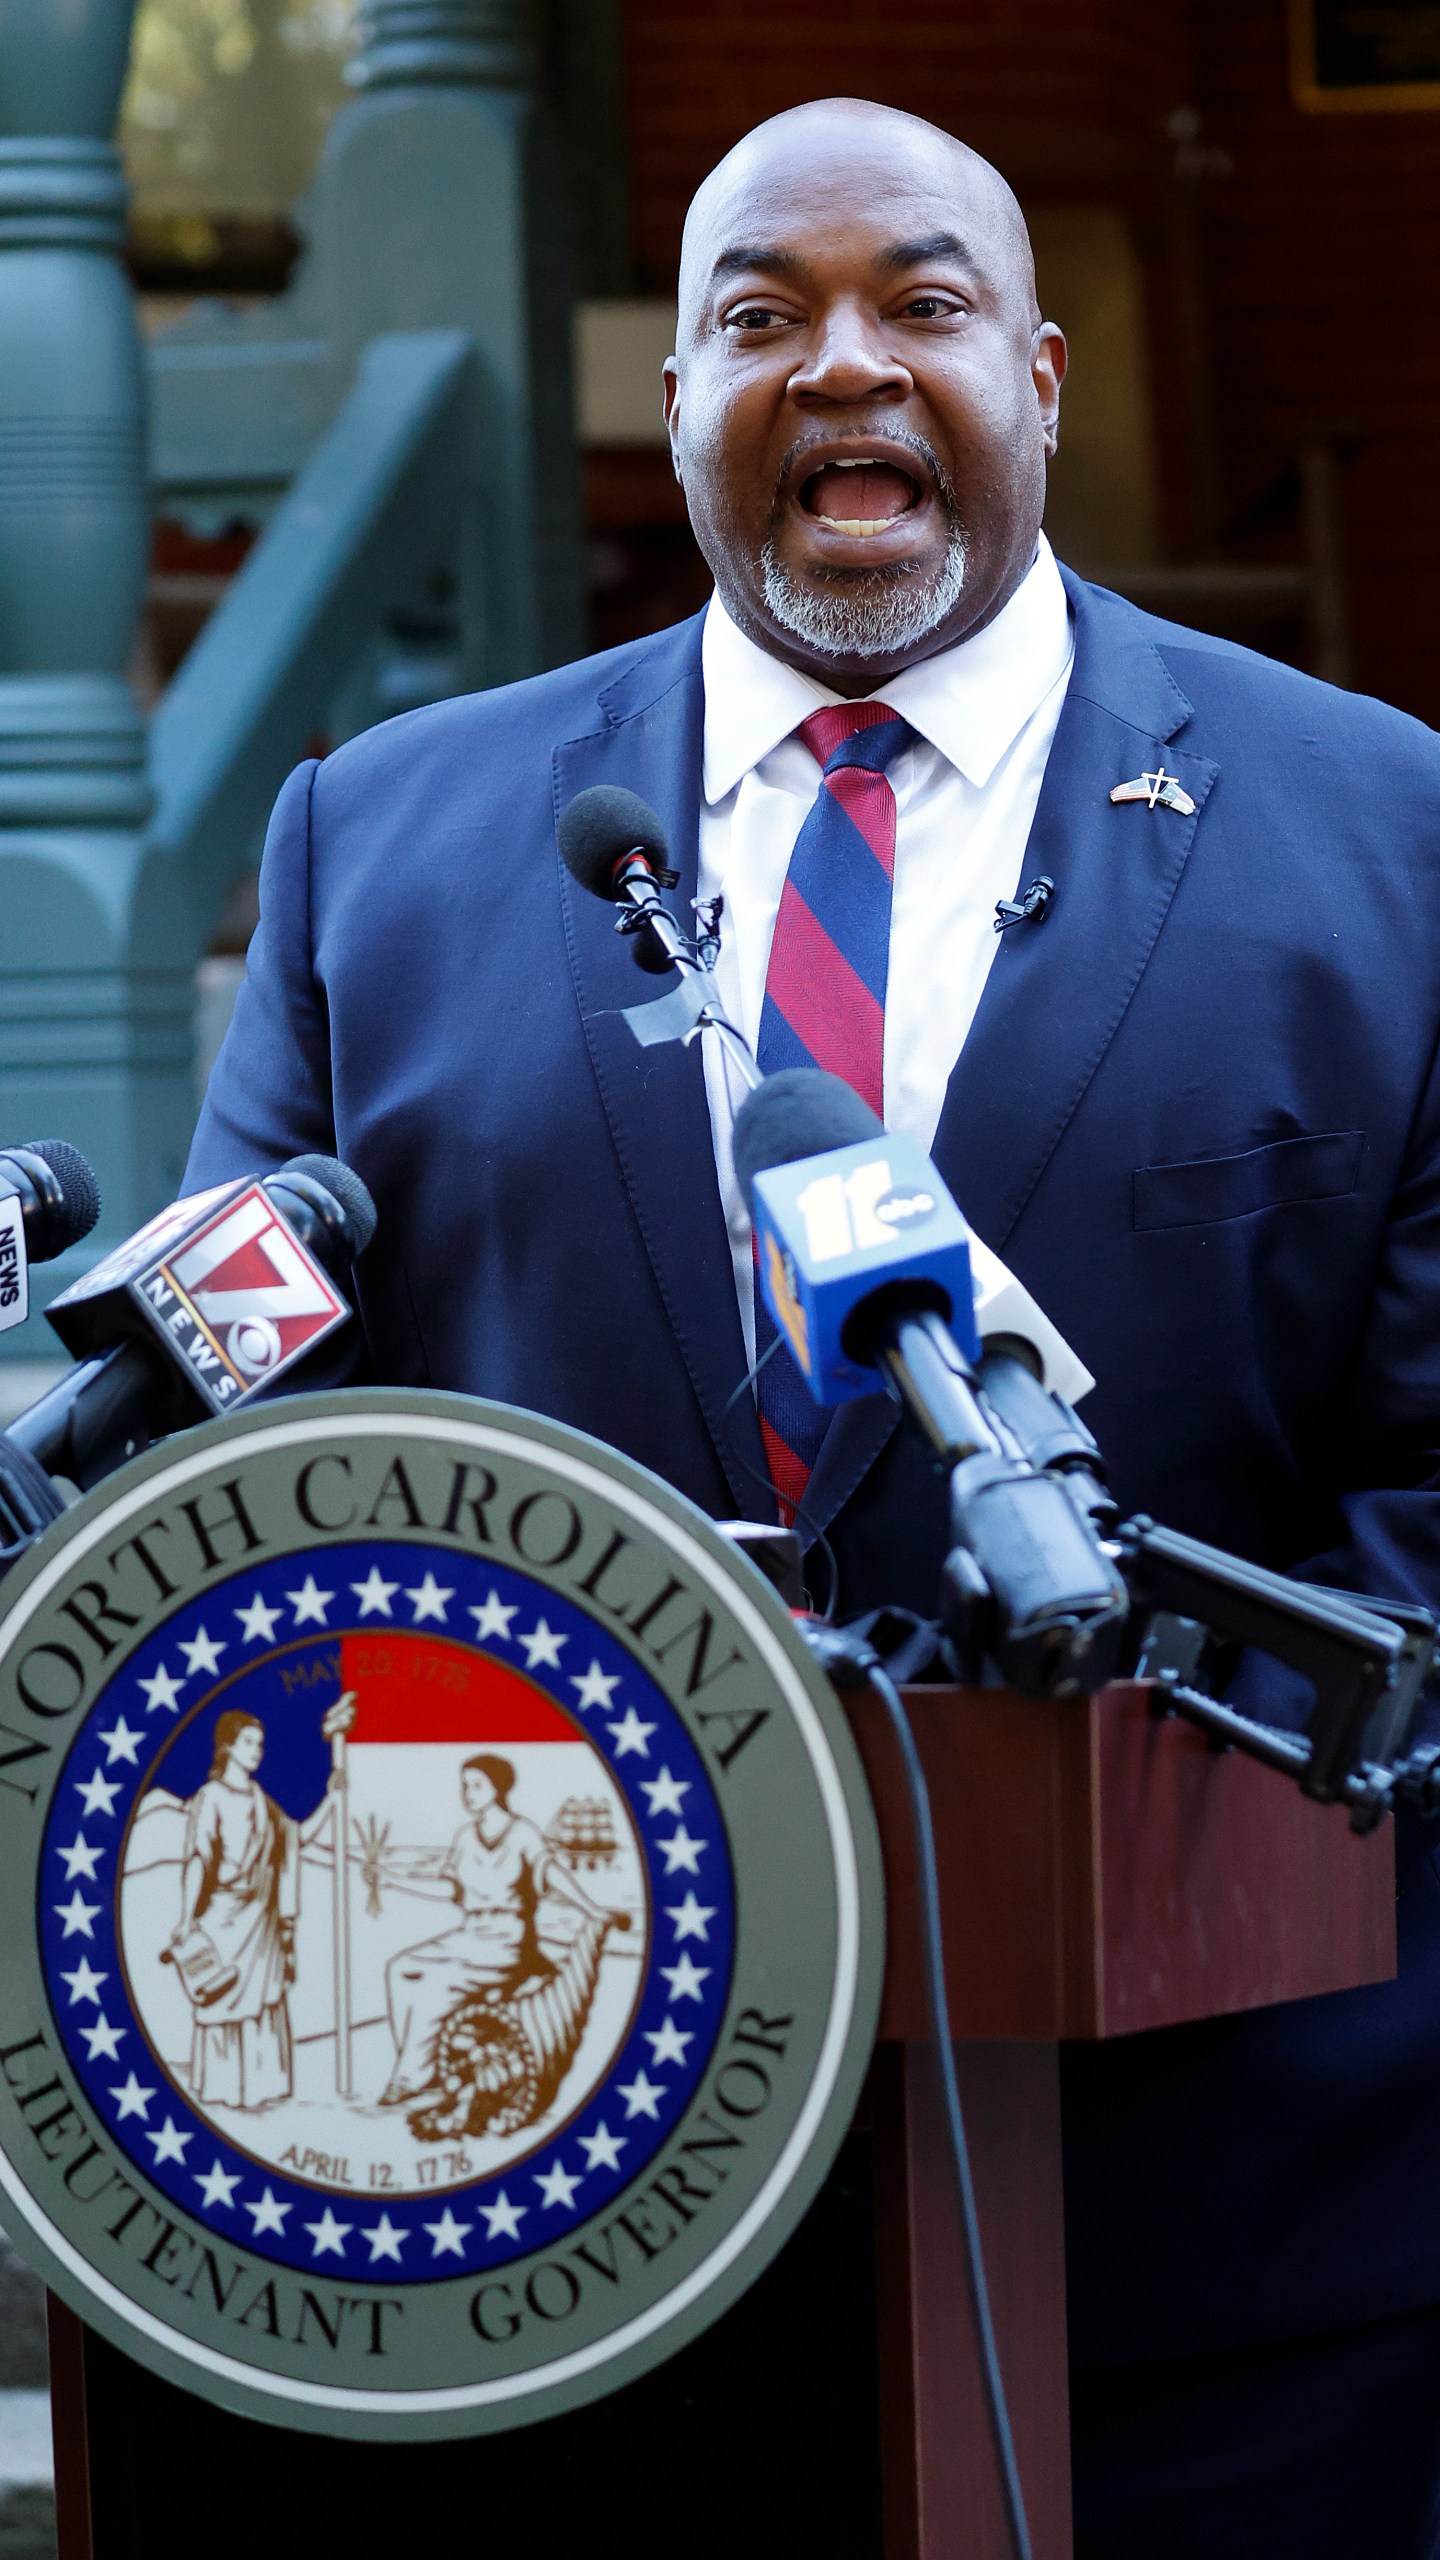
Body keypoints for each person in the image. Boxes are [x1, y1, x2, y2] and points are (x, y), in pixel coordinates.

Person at [187, 94, 1440, 2558]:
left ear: (1042, 381)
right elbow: (256, 1470)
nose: (840, 365)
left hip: (1222, 2240)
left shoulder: (1378, 833)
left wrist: (1158, 1809)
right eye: (756, 316)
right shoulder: (390, 839)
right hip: (558, 2218)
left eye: (920, 306)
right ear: (674, 401)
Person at [380, 1752, 626, 2108]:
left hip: (508, 1940)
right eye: (464, 1786)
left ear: (497, 1789)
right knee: (400, 1968)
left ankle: (410, 2078)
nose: (467, 1793)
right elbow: (450, 1890)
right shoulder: (465, 1837)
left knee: (437, 1982)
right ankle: (427, 2064)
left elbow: (553, 1874)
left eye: (476, 1785)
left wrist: (592, 1909)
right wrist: (393, 1879)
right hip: (470, 1934)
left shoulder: (522, 1832)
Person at [170, 1700, 353, 2109]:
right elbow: (198, 1858)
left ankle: (261, 2088)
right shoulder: (210, 1797)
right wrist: (185, 1919)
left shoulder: (259, 1797)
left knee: (264, 2000)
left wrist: (330, 1799)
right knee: (222, 2000)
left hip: (262, 1920)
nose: (257, 1750)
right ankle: (222, 2087)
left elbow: (295, 1839)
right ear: (228, 1748)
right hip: (223, 1917)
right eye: (249, 1742)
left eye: (261, 1743)